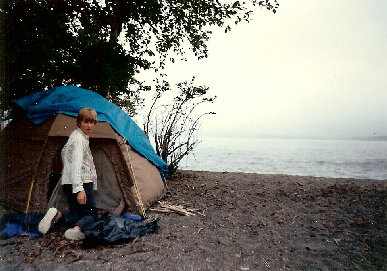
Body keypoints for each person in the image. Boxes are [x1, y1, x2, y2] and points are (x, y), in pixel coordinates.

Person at [39, 108, 98, 240]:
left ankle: (58, 215)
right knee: (92, 214)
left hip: (68, 182)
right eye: (86, 122)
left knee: (76, 213)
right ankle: (76, 230)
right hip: (82, 182)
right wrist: (79, 189)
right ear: (79, 122)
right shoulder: (79, 139)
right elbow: (77, 165)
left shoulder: (75, 136)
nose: (90, 126)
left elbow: (65, 156)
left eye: (92, 122)